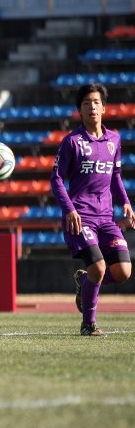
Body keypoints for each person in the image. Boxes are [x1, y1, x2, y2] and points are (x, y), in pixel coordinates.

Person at [51, 83, 135, 336]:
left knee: (122, 272)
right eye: (86, 103)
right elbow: (56, 179)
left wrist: (126, 203)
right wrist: (69, 210)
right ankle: (88, 323)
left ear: (104, 107)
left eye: (96, 102)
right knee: (98, 267)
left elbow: (115, 176)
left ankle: (84, 281)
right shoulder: (72, 142)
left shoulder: (114, 140)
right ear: (79, 110)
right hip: (81, 217)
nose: (92, 107)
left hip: (106, 217)